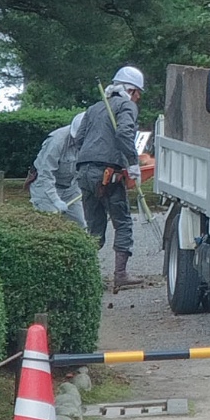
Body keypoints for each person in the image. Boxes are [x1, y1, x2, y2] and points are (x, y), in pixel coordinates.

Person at [76, 65, 145, 291]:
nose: (138, 100)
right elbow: (124, 133)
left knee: (94, 227)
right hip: (108, 174)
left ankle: (85, 277)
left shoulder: (95, 108)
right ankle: (120, 274)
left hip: (84, 171)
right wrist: (132, 162)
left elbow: (79, 138)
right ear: (132, 91)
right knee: (122, 222)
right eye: (138, 95)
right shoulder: (126, 106)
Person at [27, 120, 86, 228]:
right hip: (45, 187)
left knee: (80, 224)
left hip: (71, 188)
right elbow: (45, 174)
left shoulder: (93, 139)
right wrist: (55, 200)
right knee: (49, 225)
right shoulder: (57, 141)